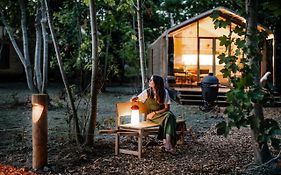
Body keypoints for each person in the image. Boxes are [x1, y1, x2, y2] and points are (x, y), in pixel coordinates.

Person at [131, 75, 177, 154]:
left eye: (152, 80)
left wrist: (155, 112)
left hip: (161, 114)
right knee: (170, 117)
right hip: (151, 117)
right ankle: (168, 144)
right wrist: (134, 98)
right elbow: (136, 99)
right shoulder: (147, 92)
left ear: (157, 83)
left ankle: (167, 144)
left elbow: (167, 108)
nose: (150, 81)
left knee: (169, 116)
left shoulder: (164, 92)